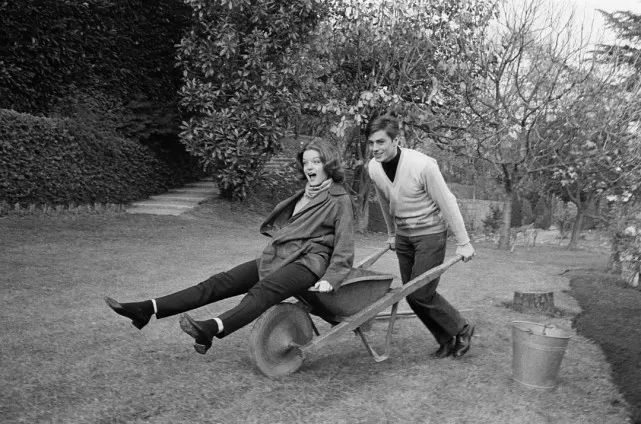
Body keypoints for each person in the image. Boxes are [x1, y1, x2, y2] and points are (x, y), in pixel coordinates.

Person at [105, 139, 354, 354]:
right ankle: (147, 308)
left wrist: (330, 279)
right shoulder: (304, 194)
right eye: (306, 162)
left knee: (263, 290)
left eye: (316, 162)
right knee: (219, 282)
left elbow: (344, 246)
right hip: (281, 256)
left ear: (328, 164)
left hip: (309, 262)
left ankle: (211, 328)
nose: (309, 167)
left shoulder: (338, 199)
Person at [366, 114, 476, 359]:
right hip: (404, 237)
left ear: (396, 140)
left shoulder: (422, 165)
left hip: (430, 235)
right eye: (371, 143)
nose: (375, 148)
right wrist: (392, 234)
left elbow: (447, 201)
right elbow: (384, 202)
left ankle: (462, 328)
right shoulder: (373, 167)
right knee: (411, 294)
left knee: (420, 293)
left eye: (381, 142)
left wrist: (464, 242)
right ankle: (446, 339)